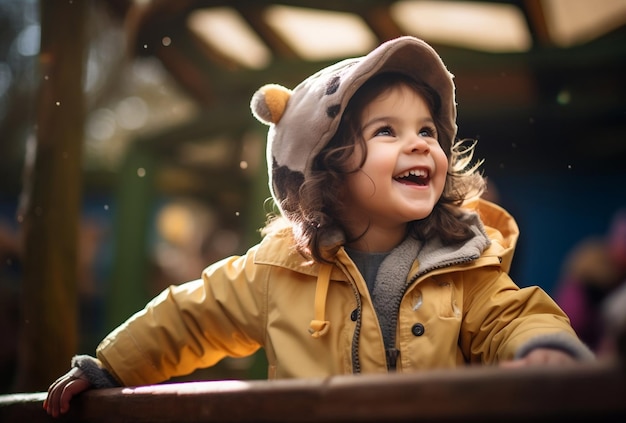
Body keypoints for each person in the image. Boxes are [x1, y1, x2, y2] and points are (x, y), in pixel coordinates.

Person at [44, 36, 594, 417]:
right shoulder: (275, 271)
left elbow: (514, 316)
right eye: (387, 130)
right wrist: (109, 366)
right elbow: (191, 314)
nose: (421, 142)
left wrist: (544, 349)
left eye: (428, 129)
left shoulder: (464, 267)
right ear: (325, 167)